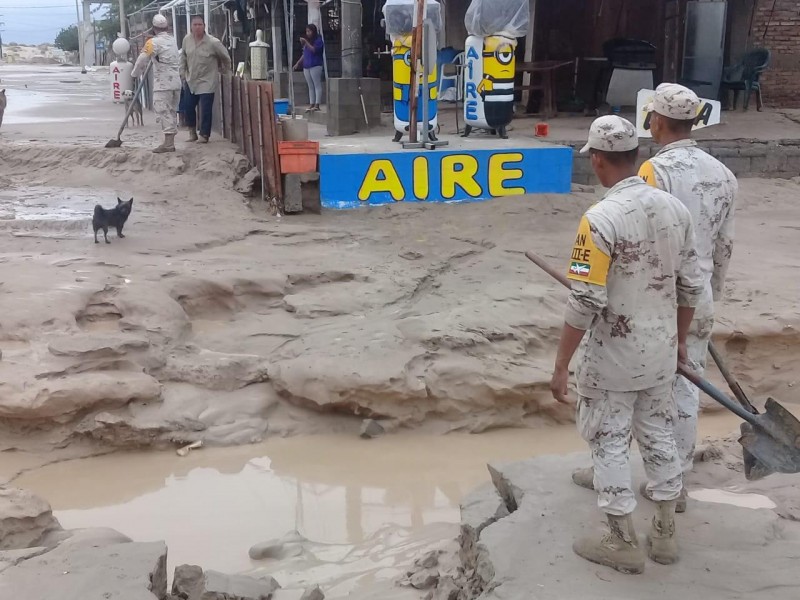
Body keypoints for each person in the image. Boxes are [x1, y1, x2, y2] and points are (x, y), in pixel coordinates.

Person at [571, 84, 737, 514]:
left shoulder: (652, 174)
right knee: (681, 391)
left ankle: (612, 472)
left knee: (628, 390)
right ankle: (674, 482)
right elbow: (723, 249)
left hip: (650, 302)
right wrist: (705, 300)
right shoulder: (724, 175)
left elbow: (639, 243)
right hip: (695, 299)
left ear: (656, 122)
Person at [550, 116, 704, 573]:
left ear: (597, 159)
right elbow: (691, 285)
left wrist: (561, 365)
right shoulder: (675, 209)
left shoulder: (599, 219)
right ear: (634, 156)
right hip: (659, 350)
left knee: (608, 439)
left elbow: (584, 300)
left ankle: (622, 542)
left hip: (613, 358)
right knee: (658, 433)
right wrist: (678, 343)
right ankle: (664, 535)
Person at [132, 14, 182, 153]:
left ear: (153, 28)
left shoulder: (152, 43)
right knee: (171, 111)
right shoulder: (172, 40)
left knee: (162, 110)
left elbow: (141, 60)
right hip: (176, 82)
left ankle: (168, 143)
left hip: (163, 84)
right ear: (167, 27)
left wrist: (134, 75)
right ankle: (170, 142)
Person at [180, 15, 232, 143]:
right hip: (191, 79)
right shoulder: (187, 40)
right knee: (188, 106)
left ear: (204, 26)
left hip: (207, 79)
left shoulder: (213, 42)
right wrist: (182, 73)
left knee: (206, 108)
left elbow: (226, 57)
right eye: (195, 25)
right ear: (191, 27)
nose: (197, 27)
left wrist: (224, 71)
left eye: (200, 24)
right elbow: (183, 57)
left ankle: (204, 134)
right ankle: (192, 132)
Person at [293, 24, 324, 111]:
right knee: (310, 86)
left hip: (315, 65)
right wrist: (298, 63)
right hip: (307, 65)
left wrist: (306, 42)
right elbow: (305, 54)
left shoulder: (318, 40)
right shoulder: (308, 42)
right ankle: (312, 103)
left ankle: (317, 104)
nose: (308, 33)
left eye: (309, 31)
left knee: (317, 85)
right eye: (307, 31)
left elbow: (314, 50)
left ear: (313, 31)